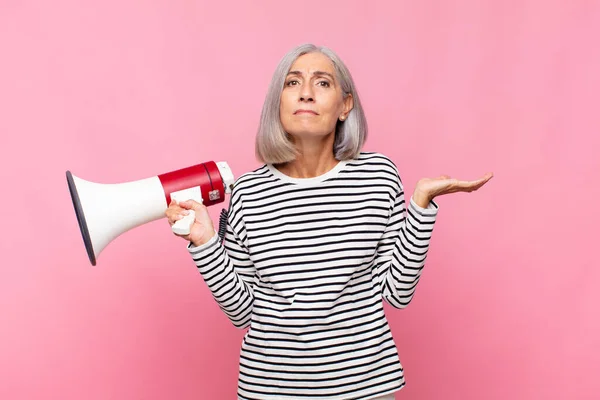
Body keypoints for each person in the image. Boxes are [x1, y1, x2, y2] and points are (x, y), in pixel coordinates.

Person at [165, 43, 492, 400]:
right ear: (279, 102)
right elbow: (242, 312)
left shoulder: (377, 176)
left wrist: (421, 207)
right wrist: (205, 243)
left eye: (322, 83)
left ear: (345, 105)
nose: (305, 93)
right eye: (292, 83)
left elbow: (397, 293)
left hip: (366, 388)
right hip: (269, 391)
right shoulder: (248, 192)